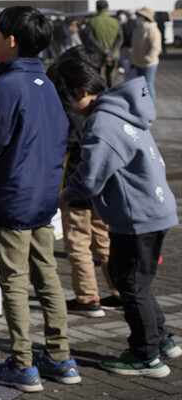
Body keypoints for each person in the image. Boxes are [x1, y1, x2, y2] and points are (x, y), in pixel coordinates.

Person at [48, 57, 178, 377]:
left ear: (79, 92)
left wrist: (64, 197)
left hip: (137, 216)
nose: (63, 108)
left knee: (130, 285)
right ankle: (160, 338)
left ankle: (145, 355)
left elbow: (90, 176)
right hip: (153, 209)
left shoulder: (102, 122)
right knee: (136, 282)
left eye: (62, 99)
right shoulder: (122, 109)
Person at [0, 5, 77, 393]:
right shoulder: (47, 85)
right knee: (47, 275)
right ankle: (61, 356)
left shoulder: (1, 88)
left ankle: (22, 362)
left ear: (10, 41)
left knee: (13, 280)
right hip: (44, 197)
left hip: (13, 198)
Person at [53, 46, 119, 319]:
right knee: (104, 239)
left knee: (78, 242)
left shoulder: (69, 103)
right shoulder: (103, 102)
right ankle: (120, 291)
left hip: (75, 181)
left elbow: (63, 142)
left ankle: (87, 297)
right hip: (102, 183)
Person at [129, 7, 162, 103]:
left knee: (148, 84)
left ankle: (151, 107)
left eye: (140, 16)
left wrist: (148, 58)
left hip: (149, 64)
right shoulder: (137, 29)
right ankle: (144, 105)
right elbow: (134, 47)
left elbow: (156, 47)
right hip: (137, 62)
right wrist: (133, 60)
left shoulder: (152, 29)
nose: (138, 18)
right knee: (141, 86)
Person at [89, 0, 123, 86]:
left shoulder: (92, 21)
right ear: (107, 9)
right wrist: (111, 52)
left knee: (101, 79)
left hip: (99, 55)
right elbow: (120, 38)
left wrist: (104, 51)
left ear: (97, 8)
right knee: (112, 80)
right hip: (113, 55)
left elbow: (91, 39)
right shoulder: (115, 21)